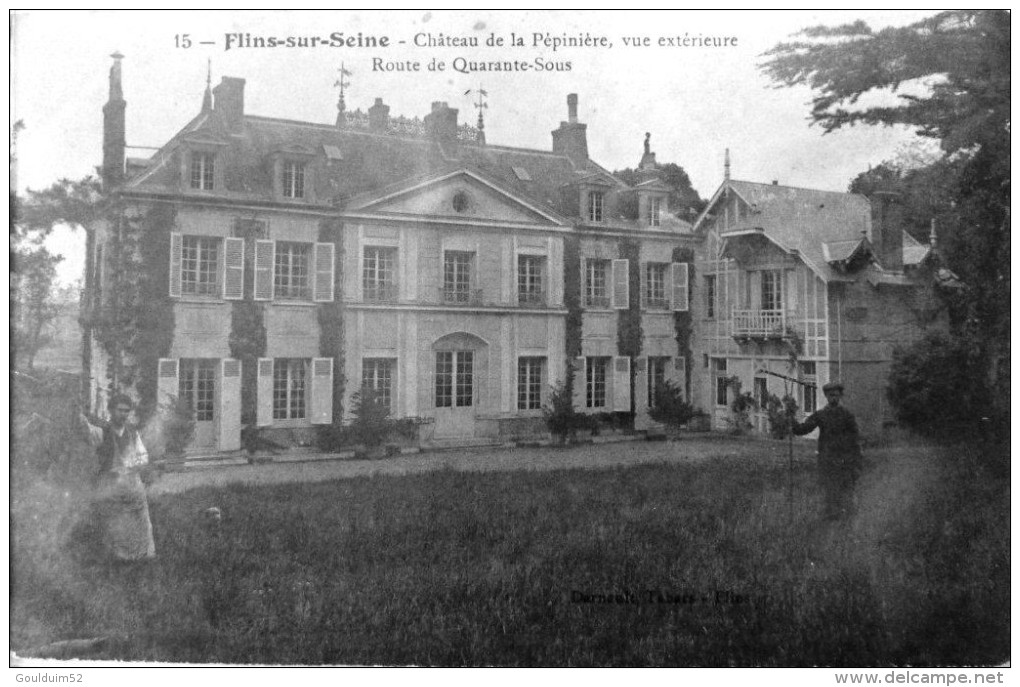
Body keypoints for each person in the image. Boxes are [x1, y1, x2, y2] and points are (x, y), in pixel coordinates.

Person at [79, 393, 156, 562]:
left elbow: (143, 456)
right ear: (111, 411)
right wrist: (78, 414)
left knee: (140, 519)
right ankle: (118, 560)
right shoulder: (102, 432)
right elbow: (86, 431)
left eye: (127, 411)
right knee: (114, 522)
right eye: (120, 410)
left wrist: (134, 465)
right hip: (111, 485)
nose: (124, 414)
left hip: (131, 483)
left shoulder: (132, 434)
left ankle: (141, 556)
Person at [792, 381, 863, 520]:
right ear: (826, 396)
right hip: (828, 459)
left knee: (846, 491)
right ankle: (831, 521)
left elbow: (855, 439)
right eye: (830, 395)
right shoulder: (821, 415)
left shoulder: (847, 415)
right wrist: (792, 421)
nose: (833, 398)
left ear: (840, 396)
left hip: (845, 460)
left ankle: (847, 522)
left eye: (836, 395)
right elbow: (803, 429)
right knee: (830, 491)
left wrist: (857, 461)